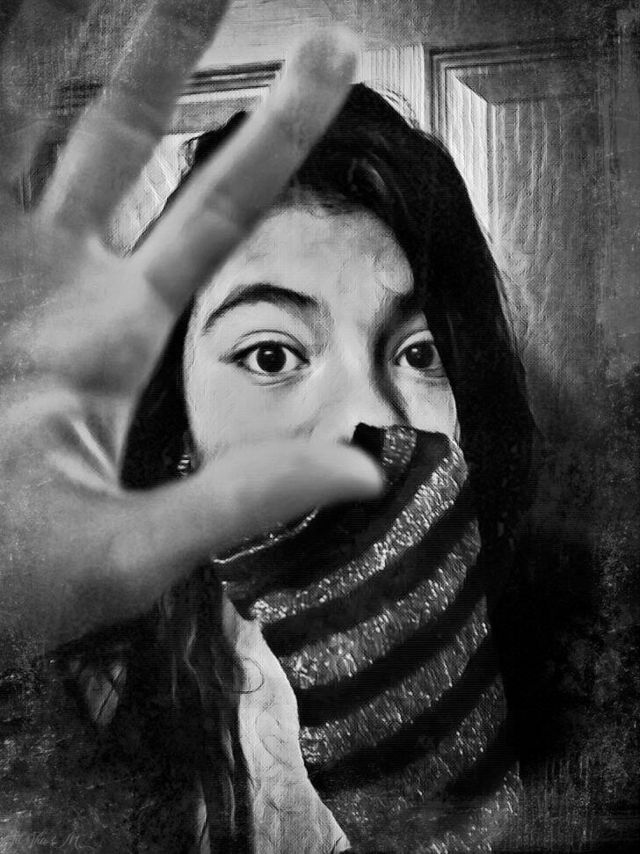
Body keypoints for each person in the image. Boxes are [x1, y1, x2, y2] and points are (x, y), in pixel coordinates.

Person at [0, 4, 534, 852]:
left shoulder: (583, 677)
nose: (366, 421)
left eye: (421, 351)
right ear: (181, 430)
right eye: (272, 355)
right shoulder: (72, 734)